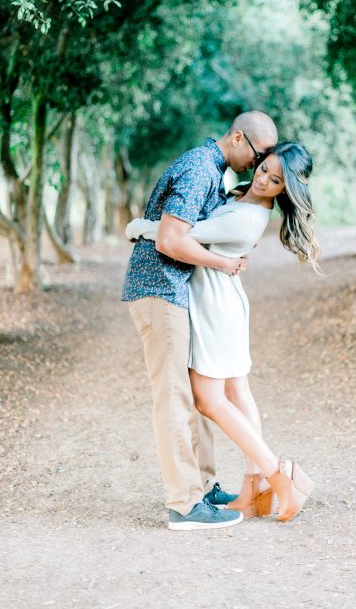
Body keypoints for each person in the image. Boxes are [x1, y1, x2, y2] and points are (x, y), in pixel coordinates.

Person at [126, 142, 321, 524]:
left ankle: (280, 475)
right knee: (237, 393)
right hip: (224, 300)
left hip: (216, 306)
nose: (264, 179)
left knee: (208, 399)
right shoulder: (239, 197)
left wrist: (139, 228)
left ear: (287, 190)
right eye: (265, 168)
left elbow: (182, 233)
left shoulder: (246, 217)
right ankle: (255, 486)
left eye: (276, 180)